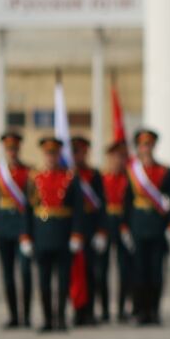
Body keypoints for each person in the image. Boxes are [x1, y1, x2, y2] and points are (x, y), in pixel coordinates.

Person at [26, 136, 84, 333]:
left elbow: (77, 209)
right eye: (48, 154)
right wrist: (26, 236)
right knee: (43, 281)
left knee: (63, 280)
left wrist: (76, 234)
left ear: (59, 155)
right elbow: (28, 210)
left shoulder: (69, 178)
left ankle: (60, 318)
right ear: (44, 155)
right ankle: (48, 319)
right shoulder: (35, 178)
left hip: (63, 234)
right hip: (42, 235)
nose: (51, 157)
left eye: (54, 153)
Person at [124, 128, 170, 326]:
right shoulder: (132, 172)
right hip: (138, 226)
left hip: (158, 227)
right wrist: (125, 227)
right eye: (142, 145)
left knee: (156, 271)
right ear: (138, 148)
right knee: (139, 271)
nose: (146, 149)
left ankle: (154, 311)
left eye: (149, 145)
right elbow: (126, 201)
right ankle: (140, 310)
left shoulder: (165, 172)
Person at [0, 130, 34, 330]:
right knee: (7, 274)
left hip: (22, 230)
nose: (12, 152)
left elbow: (30, 205)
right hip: (4, 228)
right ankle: (13, 315)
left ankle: (27, 315)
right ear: (5, 151)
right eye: (9, 149)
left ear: (19, 149)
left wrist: (29, 232)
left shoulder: (28, 172)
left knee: (25, 272)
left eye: (14, 149)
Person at [70, 136, 108, 326]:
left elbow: (101, 204)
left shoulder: (94, 175)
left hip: (91, 229)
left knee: (92, 273)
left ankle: (90, 311)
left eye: (81, 152)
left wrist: (102, 231)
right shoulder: (67, 175)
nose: (78, 156)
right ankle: (77, 311)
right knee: (74, 274)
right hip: (72, 231)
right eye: (75, 152)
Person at [100, 140, 135, 322]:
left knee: (125, 270)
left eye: (122, 157)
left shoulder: (129, 179)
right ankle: (104, 309)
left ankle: (122, 309)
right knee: (101, 270)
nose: (119, 161)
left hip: (123, 225)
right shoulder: (102, 178)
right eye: (116, 157)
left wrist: (127, 228)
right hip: (106, 225)